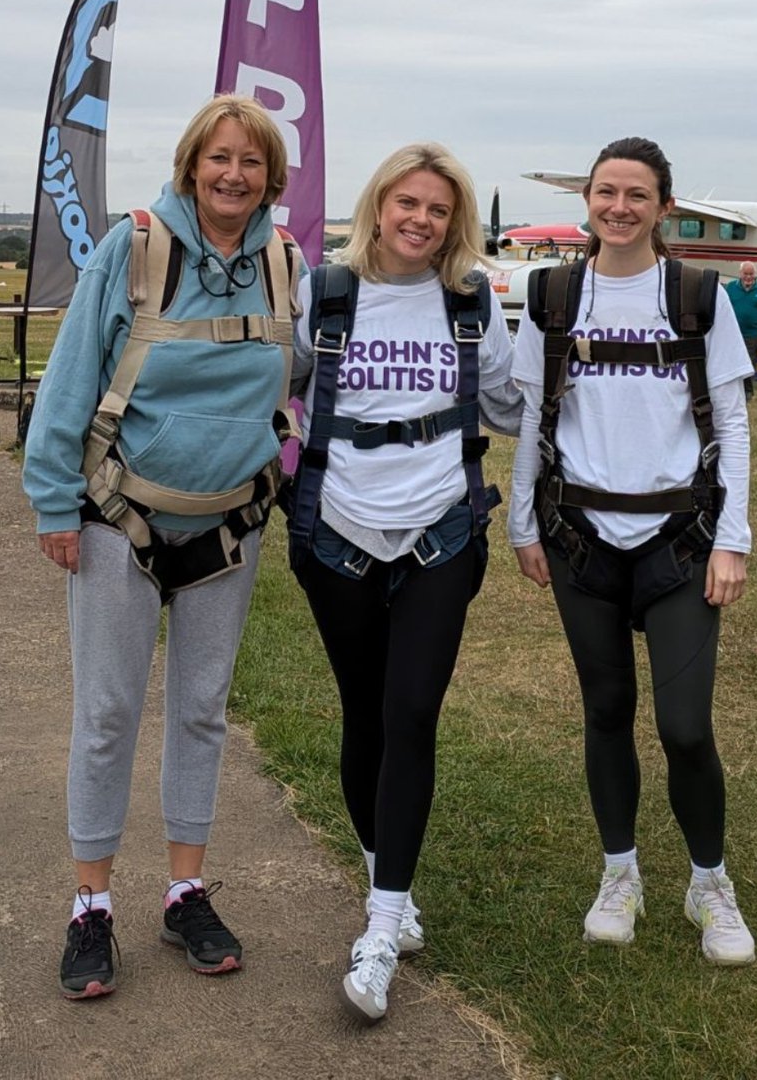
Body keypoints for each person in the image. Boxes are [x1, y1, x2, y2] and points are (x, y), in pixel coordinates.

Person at [22, 94, 301, 999]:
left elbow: (294, 383)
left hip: (227, 524)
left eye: (251, 163)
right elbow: (69, 380)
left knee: (201, 711)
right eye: (219, 158)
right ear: (192, 165)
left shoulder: (287, 264)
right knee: (107, 714)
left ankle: (184, 890)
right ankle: (90, 905)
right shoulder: (135, 250)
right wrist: (54, 504)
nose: (233, 175)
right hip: (119, 518)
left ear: (272, 178)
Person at [286, 143, 521, 1021]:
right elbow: (276, 384)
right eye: (407, 204)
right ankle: (394, 879)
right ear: (377, 205)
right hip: (338, 532)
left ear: (453, 221)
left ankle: (382, 925)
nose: (420, 221)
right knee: (365, 714)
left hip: (440, 533)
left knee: (411, 713)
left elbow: (509, 401)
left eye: (438, 210)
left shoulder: (468, 303)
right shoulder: (325, 295)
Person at [508, 136, 757, 966]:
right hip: (582, 542)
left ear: (662, 206)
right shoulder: (549, 296)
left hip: (680, 542)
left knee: (685, 728)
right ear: (588, 199)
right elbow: (529, 424)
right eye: (606, 192)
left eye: (637, 195)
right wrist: (520, 525)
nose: (620, 207)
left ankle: (708, 883)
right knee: (606, 712)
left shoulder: (696, 295)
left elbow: (734, 422)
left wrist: (734, 540)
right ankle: (621, 875)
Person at [725, 260, 757, 398]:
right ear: (740, 274)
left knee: (749, 362)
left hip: (752, 333)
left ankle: (748, 391)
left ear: (755, 274)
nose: (748, 277)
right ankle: (733, 389)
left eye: (751, 274)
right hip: (733, 333)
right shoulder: (730, 287)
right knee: (732, 360)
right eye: (745, 274)